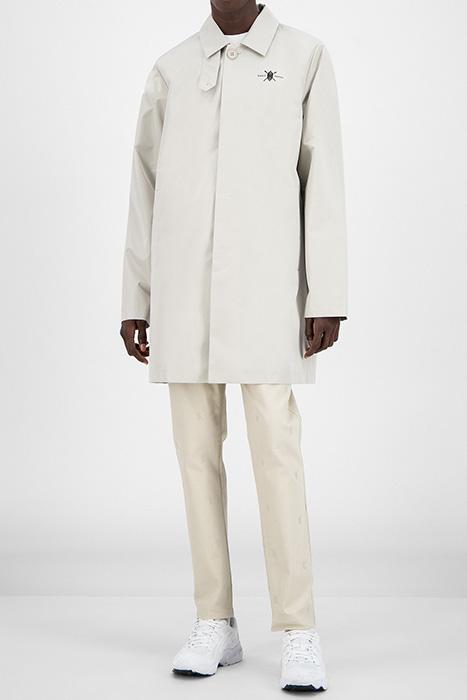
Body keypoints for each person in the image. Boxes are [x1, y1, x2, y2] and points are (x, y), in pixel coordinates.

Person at [120, 1, 347, 691]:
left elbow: (323, 177)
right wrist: (136, 297)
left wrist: (327, 291)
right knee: (196, 457)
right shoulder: (172, 69)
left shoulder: (304, 57)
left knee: (277, 452)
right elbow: (144, 185)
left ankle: (299, 627)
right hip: (182, 290)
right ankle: (214, 620)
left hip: (268, 290)